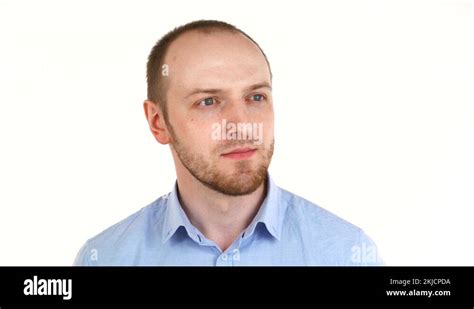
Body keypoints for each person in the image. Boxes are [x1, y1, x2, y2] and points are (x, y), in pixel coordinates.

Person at [74, 20, 383, 266]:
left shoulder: (346, 254)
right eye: (208, 101)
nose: (241, 125)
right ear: (158, 122)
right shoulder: (104, 259)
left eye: (256, 97)